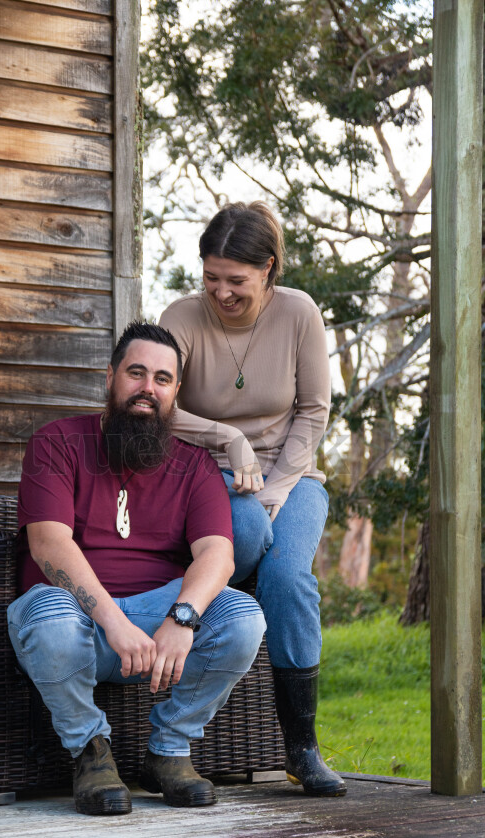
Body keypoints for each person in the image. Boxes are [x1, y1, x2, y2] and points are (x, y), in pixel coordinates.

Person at [7, 321, 266, 816]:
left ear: (175, 392)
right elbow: (48, 544)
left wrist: (183, 618)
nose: (148, 388)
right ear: (110, 377)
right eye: (137, 373)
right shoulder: (58, 442)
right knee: (49, 618)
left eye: (163, 379)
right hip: (72, 619)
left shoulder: (194, 465)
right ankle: (91, 753)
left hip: (158, 618)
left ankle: (169, 751)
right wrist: (114, 622)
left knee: (241, 617)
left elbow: (217, 554)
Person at [159, 202, 346, 797]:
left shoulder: (299, 313)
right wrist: (228, 437)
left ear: (268, 269)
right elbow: (163, 404)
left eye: (235, 281)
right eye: (211, 277)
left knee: (289, 576)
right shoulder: (182, 317)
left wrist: (276, 489)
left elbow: (314, 410)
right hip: (204, 471)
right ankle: (219, 612)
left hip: (292, 477)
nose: (221, 292)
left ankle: (302, 748)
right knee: (242, 532)